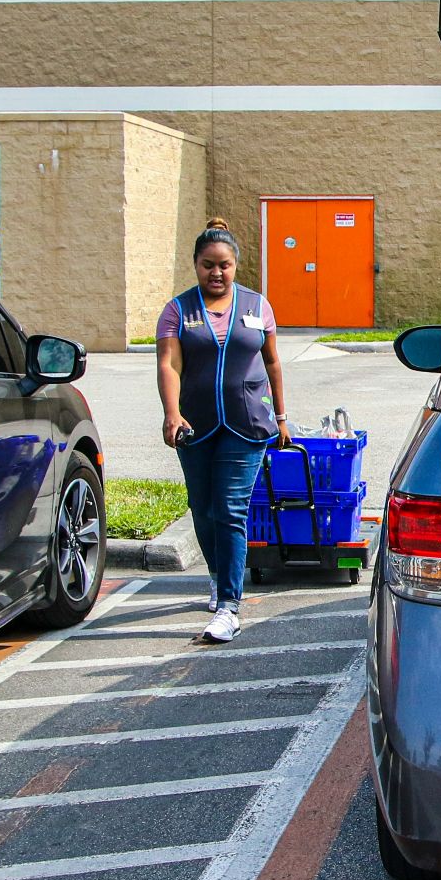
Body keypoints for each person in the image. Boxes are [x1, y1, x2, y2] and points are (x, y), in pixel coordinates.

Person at [156, 218, 291, 642]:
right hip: (195, 424)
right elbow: (169, 364)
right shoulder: (179, 310)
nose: (217, 273)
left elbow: (271, 362)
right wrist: (171, 413)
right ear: (195, 265)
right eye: (208, 265)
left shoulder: (257, 306)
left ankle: (230, 607)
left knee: (231, 509)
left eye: (225, 265)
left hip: (246, 422)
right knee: (203, 506)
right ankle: (217, 576)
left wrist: (282, 417)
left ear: (236, 266)